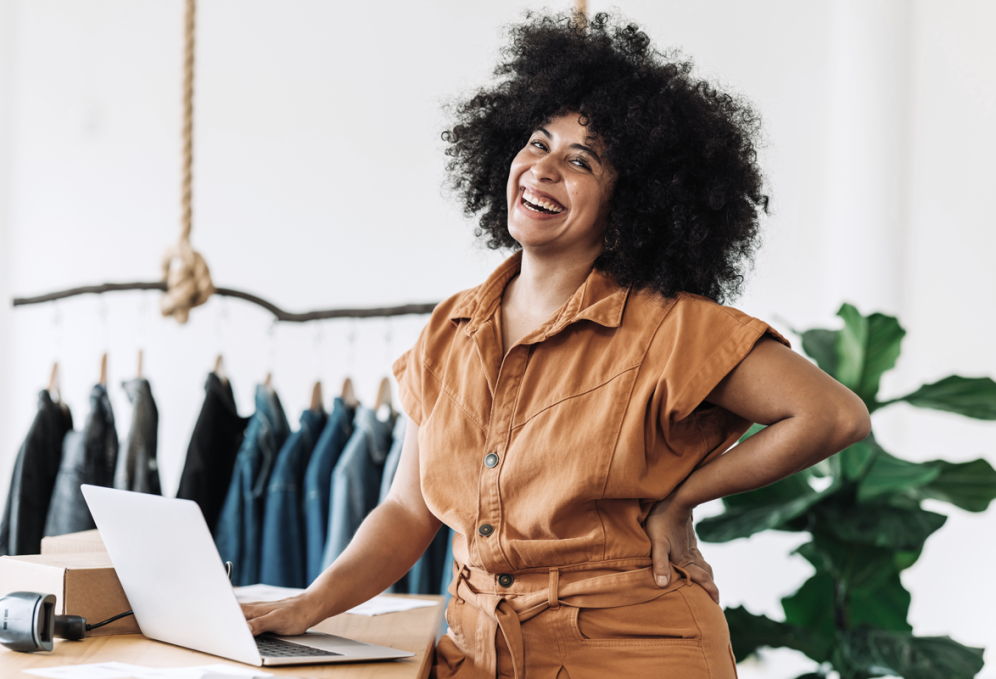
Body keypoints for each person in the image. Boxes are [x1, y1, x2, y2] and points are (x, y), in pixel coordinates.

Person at [242, 12, 871, 678]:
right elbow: (406, 509)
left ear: (631, 204)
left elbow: (833, 415)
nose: (541, 169)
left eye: (580, 161)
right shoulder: (450, 328)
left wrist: (685, 494)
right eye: (537, 143)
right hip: (477, 652)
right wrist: (309, 605)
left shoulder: (671, 328)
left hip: (631, 654)